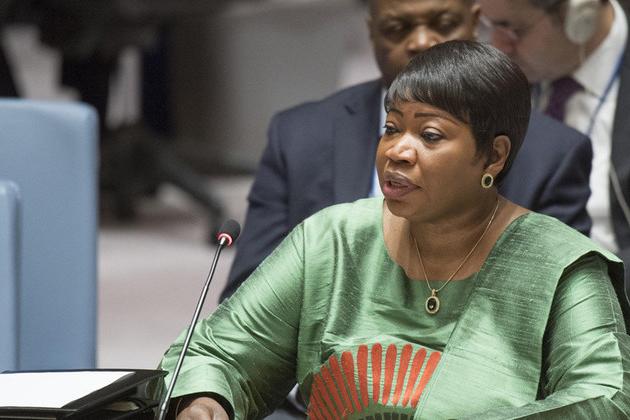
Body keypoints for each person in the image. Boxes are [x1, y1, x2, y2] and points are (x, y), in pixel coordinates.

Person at [159, 40, 630, 419]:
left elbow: (605, 399)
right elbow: (218, 354)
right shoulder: (333, 240)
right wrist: (206, 403)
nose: (397, 152)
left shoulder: (561, 266)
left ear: (494, 155)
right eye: (391, 128)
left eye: (429, 135)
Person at [220, 0, 593, 301]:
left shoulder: (551, 152)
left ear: (474, 21)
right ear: (371, 32)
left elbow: (559, 312)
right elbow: (247, 298)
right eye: (398, 28)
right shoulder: (300, 135)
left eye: (443, 23)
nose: (420, 41)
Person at [477, 0, 630, 295]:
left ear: (580, 15)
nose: (498, 45)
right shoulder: (497, 79)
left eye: (512, 28)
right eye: (489, 25)